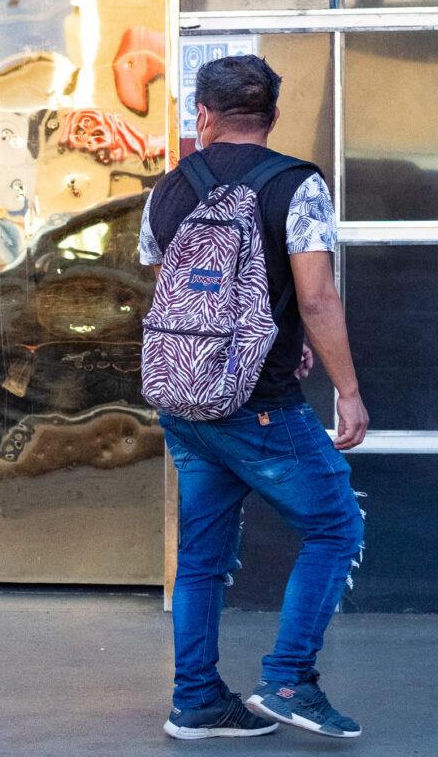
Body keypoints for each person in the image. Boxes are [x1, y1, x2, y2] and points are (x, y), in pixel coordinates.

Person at [139, 55, 368, 740]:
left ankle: (198, 701)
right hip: (260, 407)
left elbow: (175, 290)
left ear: (202, 116)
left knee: (202, 557)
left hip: (185, 399)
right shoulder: (296, 185)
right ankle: (290, 678)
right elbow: (316, 296)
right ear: (271, 116)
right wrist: (348, 392)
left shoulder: (168, 189)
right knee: (335, 527)